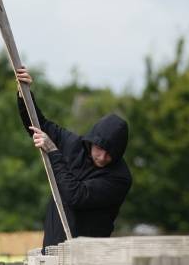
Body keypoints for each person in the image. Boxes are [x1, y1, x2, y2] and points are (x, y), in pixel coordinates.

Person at [15, 67, 132, 248]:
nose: (102, 157)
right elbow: (38, 125)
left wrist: (53, 152)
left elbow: (76, 196)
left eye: (110, 154)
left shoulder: (119, 178)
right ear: (92, 141)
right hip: (53, 250)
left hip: (88, 257)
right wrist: (25, 94)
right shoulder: (73, 144)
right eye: (100, 149)